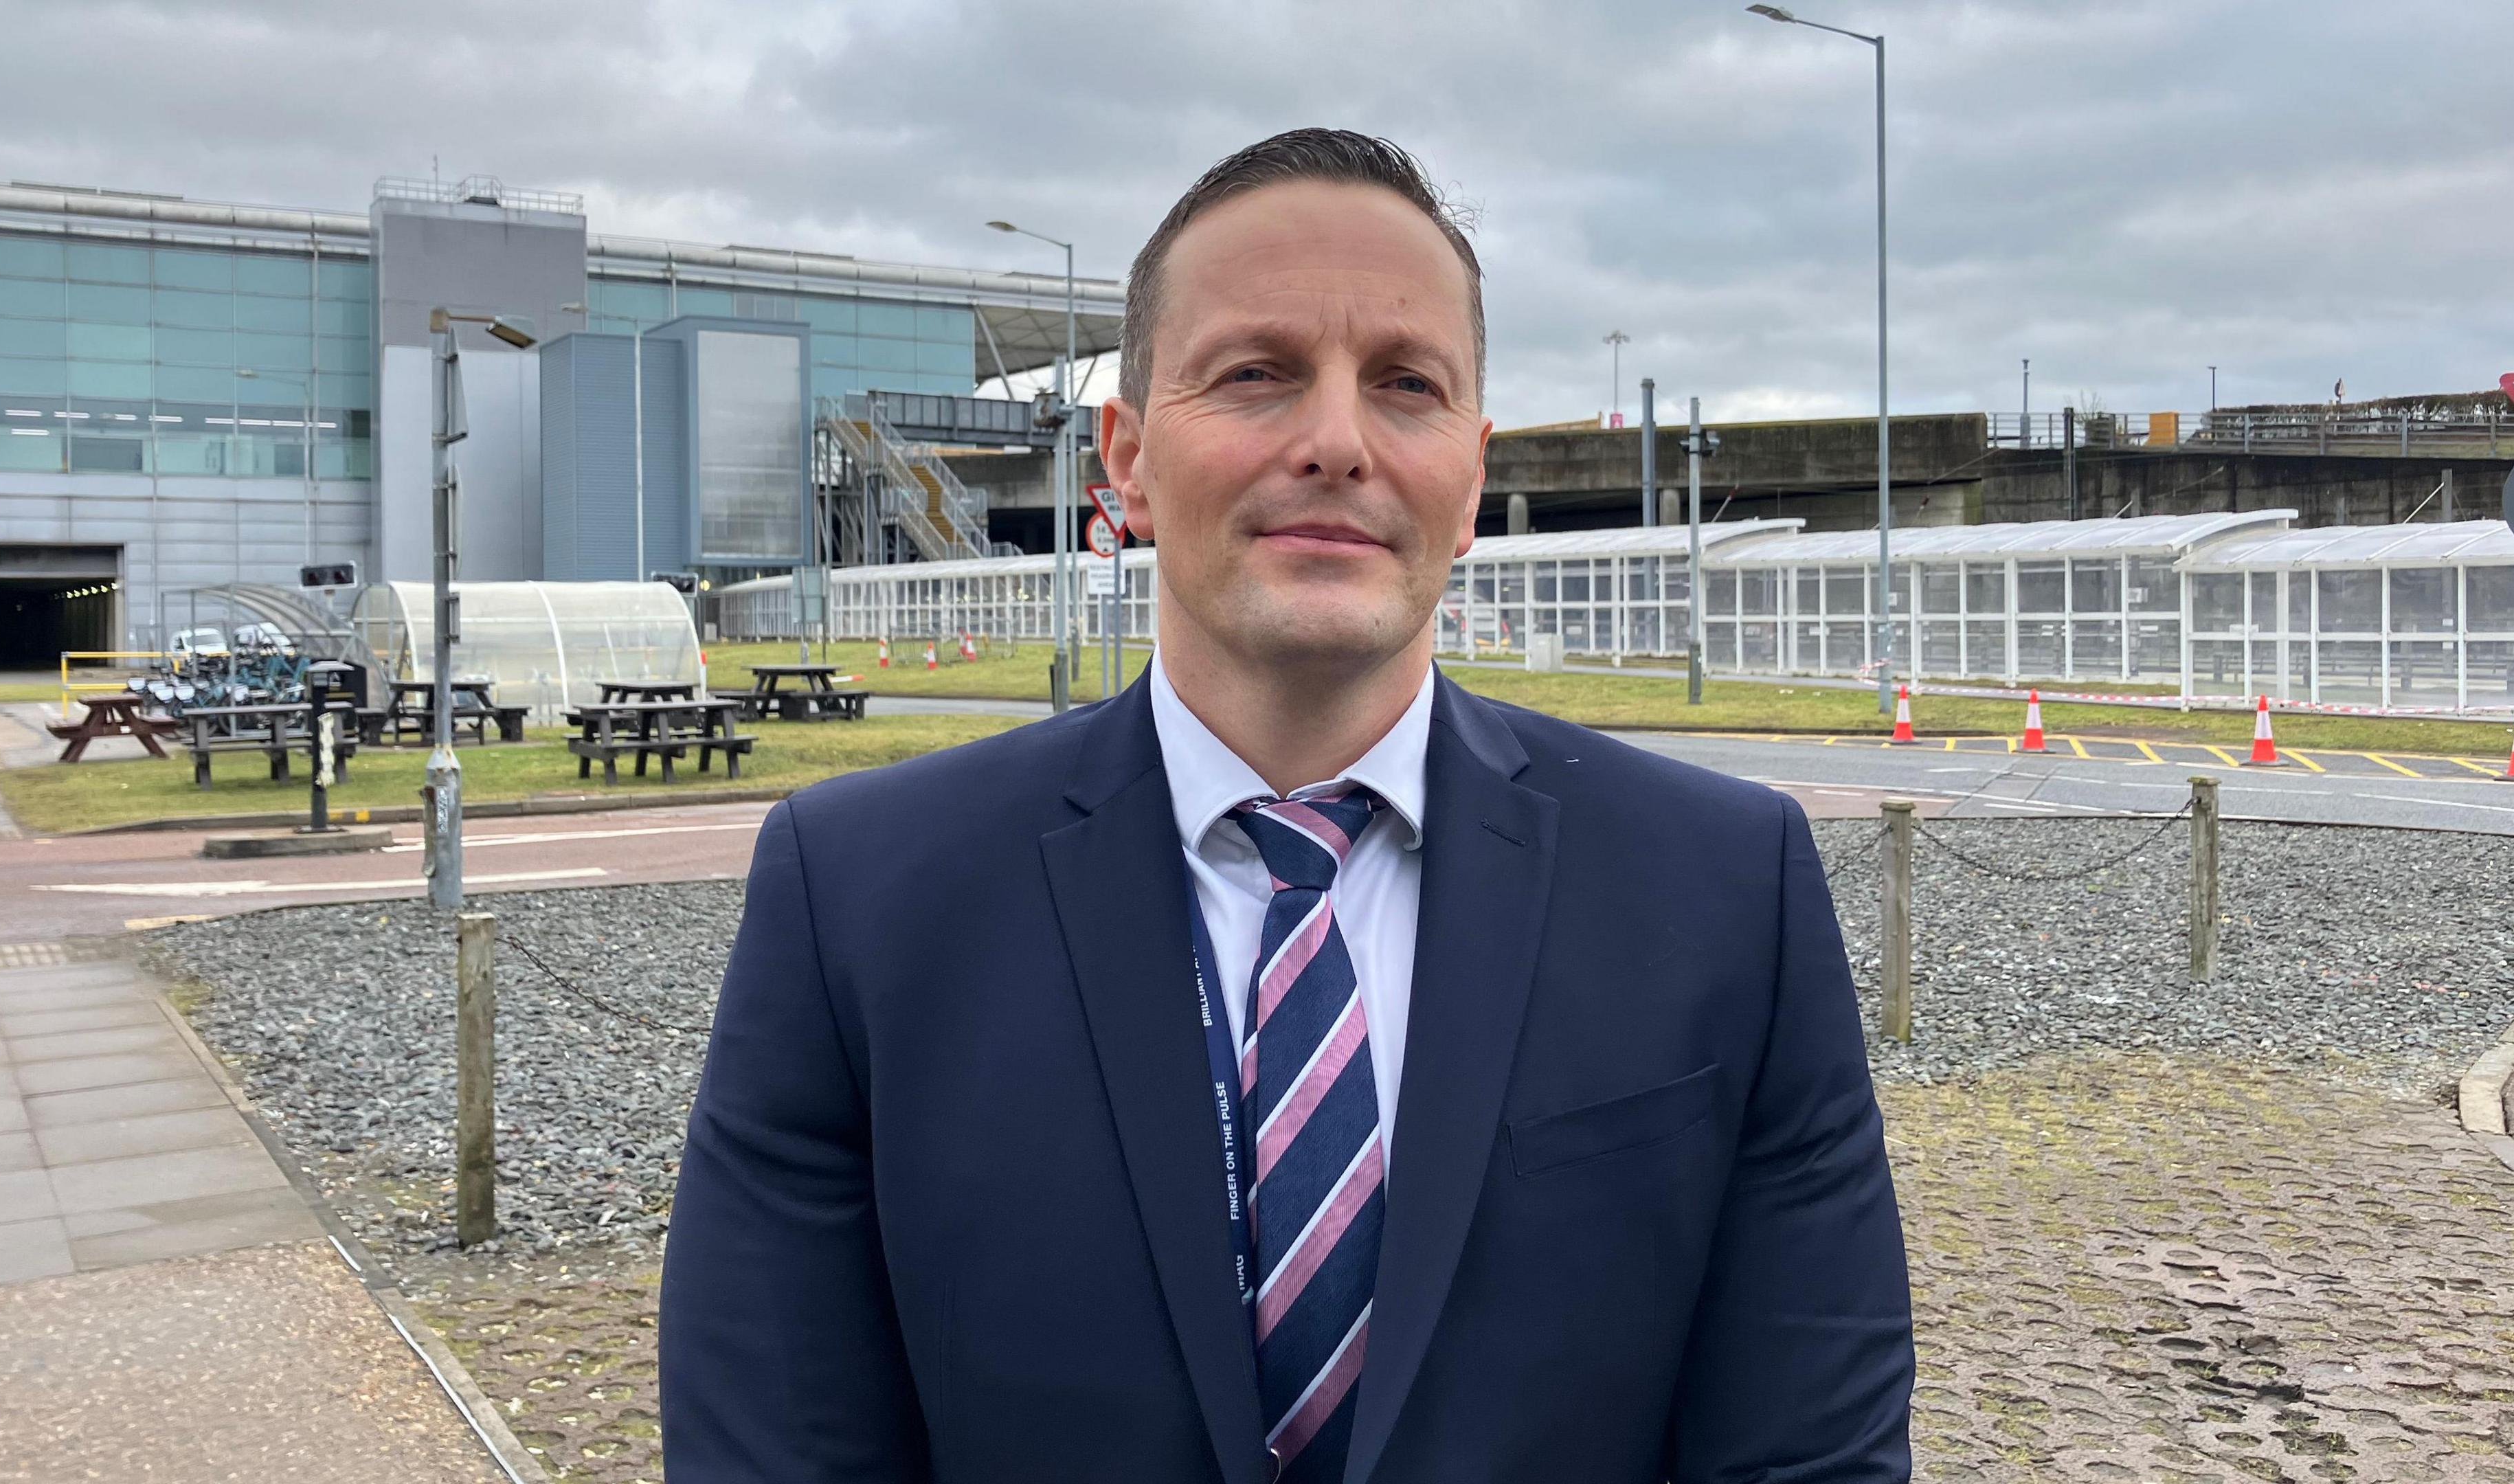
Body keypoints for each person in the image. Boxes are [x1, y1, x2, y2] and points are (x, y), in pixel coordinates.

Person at [661, 127, 1913, 1483]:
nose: (1335, 442)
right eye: (1256, 374)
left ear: (1473, 472)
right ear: (1126, 461)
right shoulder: (857, 904)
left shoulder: (1725, 894)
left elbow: (1808, 1459)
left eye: (1407, 385)